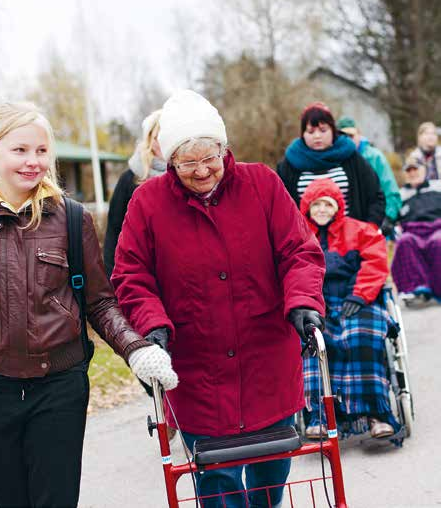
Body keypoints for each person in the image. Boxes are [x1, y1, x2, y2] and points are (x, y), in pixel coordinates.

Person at [0, 102, 178, 508]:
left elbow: (99, 303)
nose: (33, 162)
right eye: (20, 150)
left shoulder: (72, 219)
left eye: (42, 151)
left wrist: (136, 348)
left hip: (60, 388)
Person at [111, 89, 326, 508]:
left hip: (268, 365)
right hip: (198, 375)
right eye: (188, 162)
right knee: (218, 487)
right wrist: (152, 324)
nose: (202, 170)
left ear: (224, 149)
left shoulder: (262, 183)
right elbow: (130, 275)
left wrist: (302, 301)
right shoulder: (147, 202)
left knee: (271, 479)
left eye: (209, 157)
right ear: (170, 161)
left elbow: (299, 251)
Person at [300, 178, 398, 439]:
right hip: (317, 302)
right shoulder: (298, 235)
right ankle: (318, 415)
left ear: (338, 207)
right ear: (307, 207)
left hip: (356, 298)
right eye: (316, 204)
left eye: (328, 204)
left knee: (361, 335)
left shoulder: (361, 230)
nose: (321, 209)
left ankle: (375, 413)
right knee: (313, 339)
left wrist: (360, 295)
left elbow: (376, 264)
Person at [277, 102, 385, 226]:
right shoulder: (290, 162)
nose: (317, 136)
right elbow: (280, 206)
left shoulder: (351, 157)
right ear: (303, 134)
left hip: (351, 239)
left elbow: (376, 196)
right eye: (311, 132)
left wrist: (368, 229)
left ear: (333, 130)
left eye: (323, 130)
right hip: (306, 240)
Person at [103, 109, 166, 278]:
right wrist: (112, 279)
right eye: (158, 137)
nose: (163, 142)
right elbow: (114, 231)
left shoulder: (191, 176)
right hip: (139, 272)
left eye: (167, 136)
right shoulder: (130, 178)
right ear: (150, 139)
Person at [336, 116, 402, 237]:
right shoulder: (335, 159)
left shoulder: (375, 157)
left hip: (374, 220)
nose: (348, 140)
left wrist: (388, 218)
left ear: (359, 134)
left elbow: (390, 189)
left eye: (351, 136)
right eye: (343, 136)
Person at [391, 156, 441, 303]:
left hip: (436, 228)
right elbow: (393, 217)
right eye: (409, 170)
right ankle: (415, 288)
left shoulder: (437, 187)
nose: (412, 173)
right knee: (405, 241)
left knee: (438, 241)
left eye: (416, 169)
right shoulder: (400, 195)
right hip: (412, 231)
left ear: (424, 169)